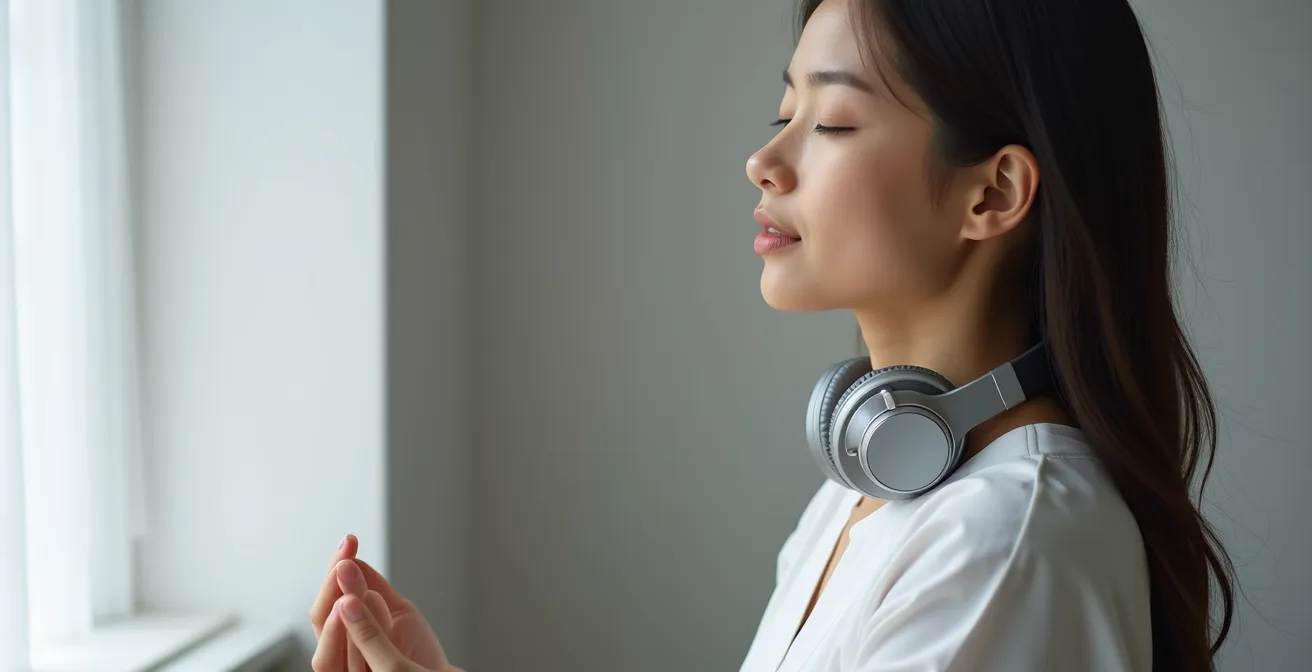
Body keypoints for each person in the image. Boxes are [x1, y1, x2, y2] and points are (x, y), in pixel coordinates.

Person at [307, 0, 1237, 670]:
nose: (764, 160)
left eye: (830, 121)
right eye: (783, 113)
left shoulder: (1007, 540)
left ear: (992, 193)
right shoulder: (864, 495)